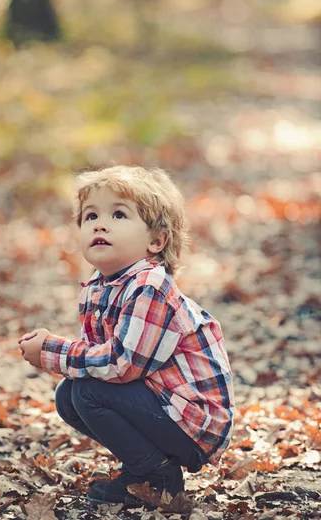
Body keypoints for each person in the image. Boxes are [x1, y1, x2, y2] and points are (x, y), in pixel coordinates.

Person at [18, 165, 235, 506]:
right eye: (90, 216)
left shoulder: (151, 286)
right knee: (70, 393)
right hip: (163, 407)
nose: (99, 224)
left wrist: (51, 351)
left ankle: (158, 476)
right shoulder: (98, 288)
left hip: (195, 423)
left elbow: (121, 365)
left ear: (156, 240)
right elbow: (94, 358)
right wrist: (60, 355)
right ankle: (148, 466)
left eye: (119, 214)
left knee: (87, 391)